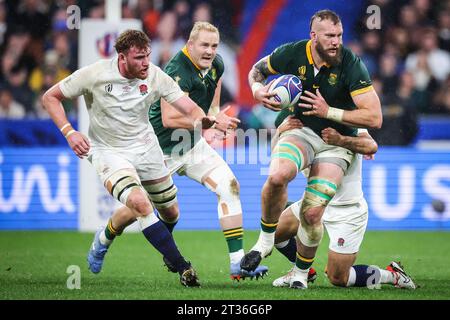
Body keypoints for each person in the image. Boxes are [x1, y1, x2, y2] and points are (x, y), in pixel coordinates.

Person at [42, 29, 239, 287]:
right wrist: (69, 132)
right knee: (140, 203)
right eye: (138, 58)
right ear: (122, 58)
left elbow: (186, 105)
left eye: (147, 56)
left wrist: (203, 118)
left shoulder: (156, 75)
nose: (146, 63)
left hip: (147, 148)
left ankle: (105, 237)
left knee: (170, 212)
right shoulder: (95, 74)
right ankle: (182, 266)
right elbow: (50, 97)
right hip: (108, 151)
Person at [240, 9, 382, 290]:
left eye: (339, 35)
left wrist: (331, 112)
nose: (336, 41)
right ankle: (264, 242)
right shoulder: (292, 54)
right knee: (278, 176)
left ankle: (302, 275)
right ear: (313, 36)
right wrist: (257, 91)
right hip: (304, 132)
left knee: (334, 266)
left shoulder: (350, 65)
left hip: (335, 143)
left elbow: (375, 119)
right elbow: (257, 70)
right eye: (330, 35)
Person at [116, 22, 268, 281]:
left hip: (193, 146)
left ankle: (236, 265)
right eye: (204, 45)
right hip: (160, 152)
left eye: (214, 45)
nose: (210, 51)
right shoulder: (176, 71)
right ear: (190, 45)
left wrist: (214, 112)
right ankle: (105, 238)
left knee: (230, 186)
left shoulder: (216, 63)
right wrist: (209, 123)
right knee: (138, 209)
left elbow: (216, 82)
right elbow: (169, 120)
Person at [271, 117, 416, 290]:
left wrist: (341, 140)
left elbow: (370, 144)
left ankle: (393, 275)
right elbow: (278, 157)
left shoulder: (344, 120)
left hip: (346, 210)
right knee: (272, 234)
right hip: (313, 203)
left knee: (338, 277)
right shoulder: (298, 124)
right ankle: (301, 271)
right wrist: (279, 132)